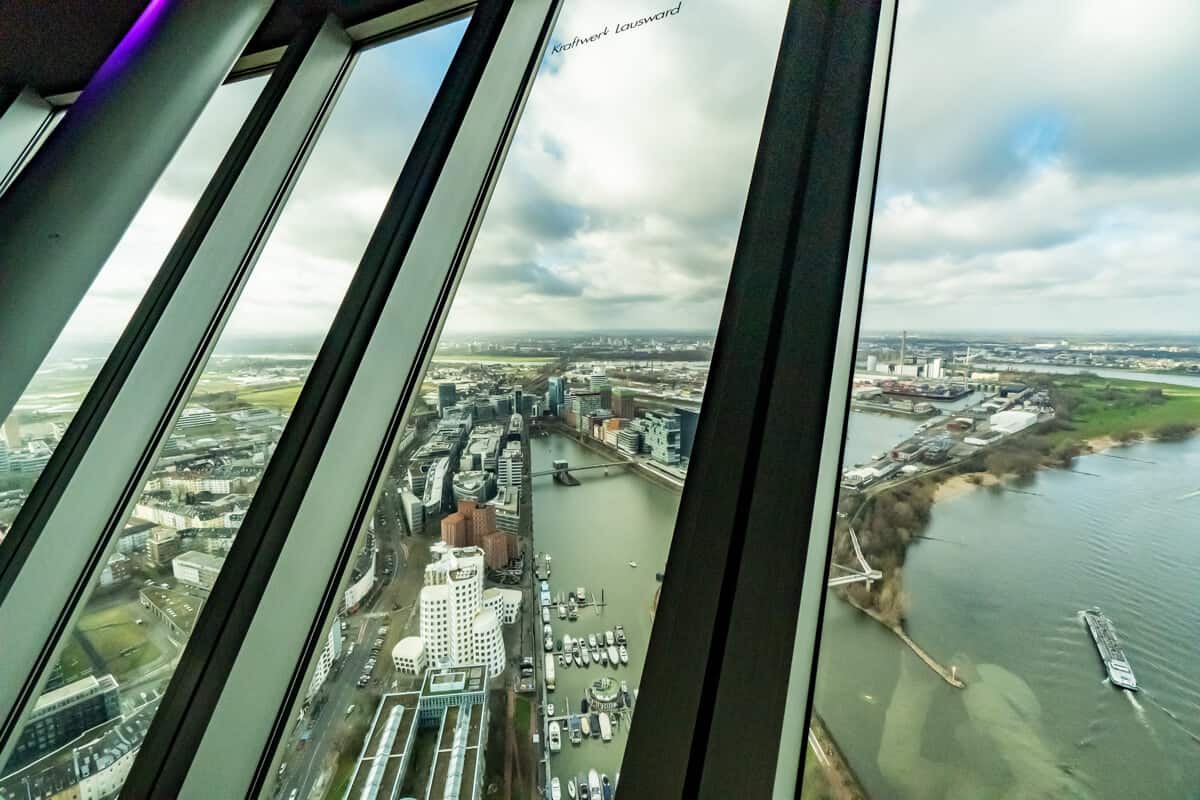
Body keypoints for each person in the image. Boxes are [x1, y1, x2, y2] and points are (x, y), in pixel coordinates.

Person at [878, 651, 1091, 799]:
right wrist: (915, 686)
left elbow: (1049, 784)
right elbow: (898, 768)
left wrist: (976, 691)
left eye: (976, 722)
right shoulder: (965, 783)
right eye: (963, 719)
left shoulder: (1069, 783)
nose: (961, 734)